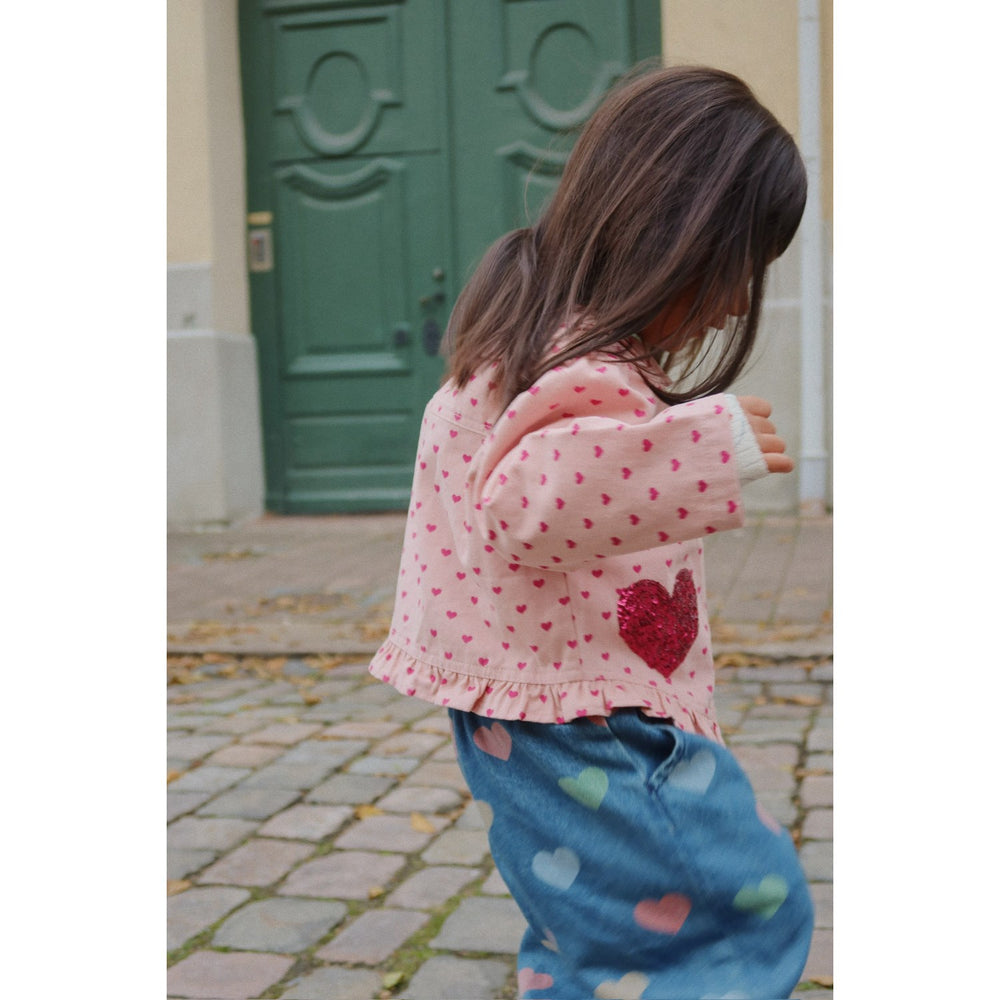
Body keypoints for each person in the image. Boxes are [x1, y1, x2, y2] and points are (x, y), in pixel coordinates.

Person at [370, 65, 814, 999]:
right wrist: (701, 447)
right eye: (737, 267)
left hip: (535, 711)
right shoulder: (586, 362)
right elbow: (531, 499)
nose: (739, 303)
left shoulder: (530, 329)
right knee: (752, 902)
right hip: (589, 721)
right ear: (675, 233)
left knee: (588, 925)